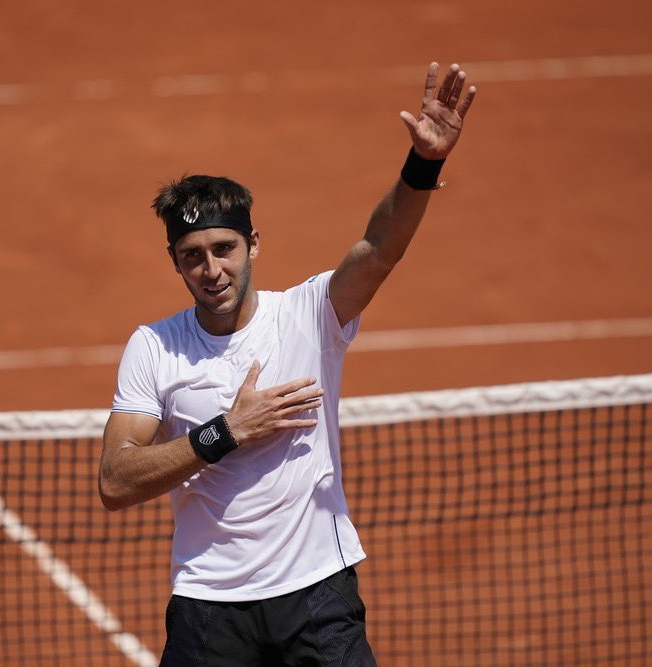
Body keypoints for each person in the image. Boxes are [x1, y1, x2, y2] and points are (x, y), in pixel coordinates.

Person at [99, 62, 476, 666]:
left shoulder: (311, 314)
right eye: (192, 256)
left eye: (225, 248)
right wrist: (226, 433)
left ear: (254, 245)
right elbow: (116, 482)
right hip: (208, 603)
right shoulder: (153, 345)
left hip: (318, 595)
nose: (212, 270)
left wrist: (424, 165)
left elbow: (378, 247)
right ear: (174, 261)